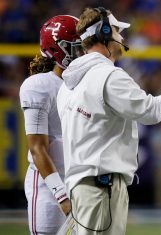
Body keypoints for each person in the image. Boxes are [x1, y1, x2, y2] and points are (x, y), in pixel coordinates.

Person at [56, 7, 161, 235]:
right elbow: (152, 112)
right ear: (103, 33)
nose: (121, 37)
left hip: (79, 186)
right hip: (100, 187)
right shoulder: (108, 75)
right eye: (116, 30)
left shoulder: (68, 83)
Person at [19, 15, 82, 234]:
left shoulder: (86, 84)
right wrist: (62, 197)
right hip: (49, 185)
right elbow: (37, 148)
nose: (83, 54)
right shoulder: (40, 85)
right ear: (58, 50)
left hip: (80, 181)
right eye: (77, 48)